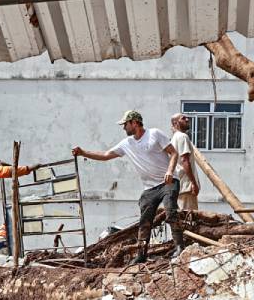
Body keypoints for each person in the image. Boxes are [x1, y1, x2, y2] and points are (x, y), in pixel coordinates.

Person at [72, 110, 184, 263]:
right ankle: (141, 255)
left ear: (135, 123)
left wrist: (170, 171)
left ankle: (180, 247)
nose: (124, 128)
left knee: (170, 210)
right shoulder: (127, 144)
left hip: (168, 182)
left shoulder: (155, 134)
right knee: (145, 221)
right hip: (149, 188)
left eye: (125, 124)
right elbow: (105, 155)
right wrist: (83, 152)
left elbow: (174, 153)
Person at [169, 113, 201, 211]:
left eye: (187, 118)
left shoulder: (174, 138)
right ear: (176, 123)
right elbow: (184, 160)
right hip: (186, 187)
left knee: (181, 219)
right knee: (188, 220)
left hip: (178, 186)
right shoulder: (183, 137)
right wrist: (193, 183)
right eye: (183, 118)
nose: (187, 119)